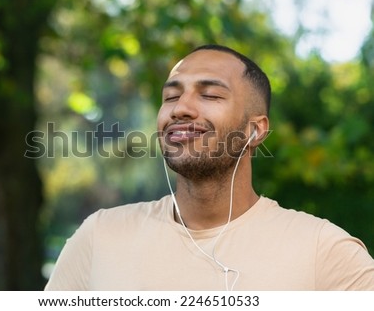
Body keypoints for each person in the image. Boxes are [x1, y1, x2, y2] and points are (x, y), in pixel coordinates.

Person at [45, 44, 374, 290]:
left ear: (254, 130)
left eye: (210, 95)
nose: (181, 109)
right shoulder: (99, 237)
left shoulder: (326, 252)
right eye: (171, 97)